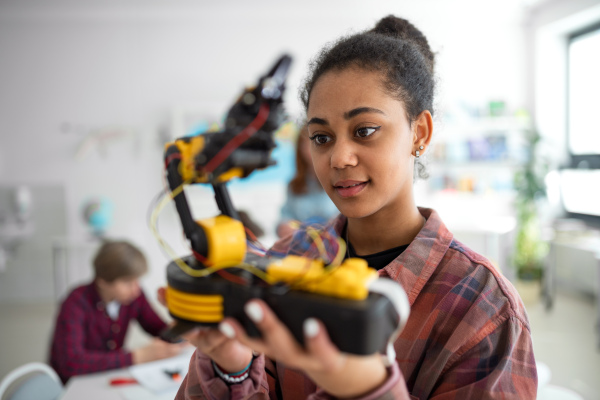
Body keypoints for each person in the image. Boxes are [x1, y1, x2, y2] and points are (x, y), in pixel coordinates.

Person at [174, 15, 538, 399]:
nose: (338, 157)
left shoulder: (483, 307)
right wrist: (232, 369)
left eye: (364, 130)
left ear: (420, 133)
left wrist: (370, 390)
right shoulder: (280, 265)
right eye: (321, 137)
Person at [49, 240, 185, 383]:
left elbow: (159, 329)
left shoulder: (134, 296)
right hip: (74, 385)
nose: (136, 289)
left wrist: (179, 333)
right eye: (127, 282)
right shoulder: (75, 303)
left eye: (137, 279)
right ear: (102, 281)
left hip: (107, 377)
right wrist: (136, 357)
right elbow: (71, 363)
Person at [276, 125, 339, 238]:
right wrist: (284, 227)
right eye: (307, 144)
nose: (312, 149)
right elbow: (285, 217)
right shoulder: (294, 185)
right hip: (303, 249)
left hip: (335, 247)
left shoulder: (341, 181)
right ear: (300, 149)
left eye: (319, 142)